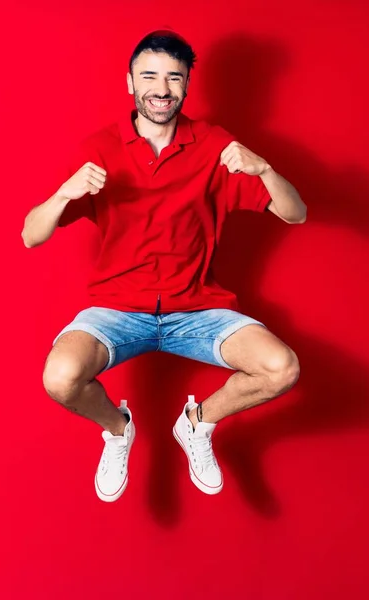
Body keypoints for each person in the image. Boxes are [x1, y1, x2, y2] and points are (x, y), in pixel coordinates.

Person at [21, 28, 307, 502]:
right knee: (60, 377)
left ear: (187, 85)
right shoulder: (100, 149)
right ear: (130, 83)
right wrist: (65, 194)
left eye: (174, 78)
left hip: (196, 309)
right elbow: (31, 235)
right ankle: (117, 430)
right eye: (149, 76)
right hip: (117, 310)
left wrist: (265, 170)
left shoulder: (215, 145)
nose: (161, 88)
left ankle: (198, 424)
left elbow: (295, 213)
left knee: (282, 367)